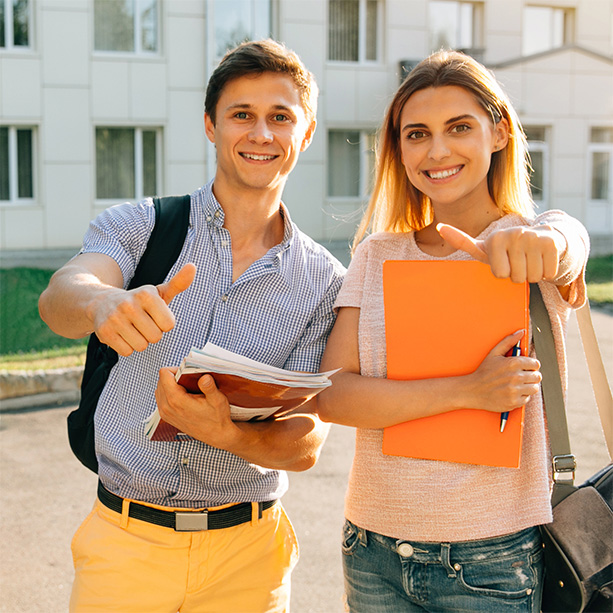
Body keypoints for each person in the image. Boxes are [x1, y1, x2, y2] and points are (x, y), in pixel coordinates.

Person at [38, 39, 345, 613]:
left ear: (304, 134)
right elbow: (60, 297)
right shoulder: (141, 225)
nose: (261, 134)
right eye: (242, 115)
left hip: (250, 556)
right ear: (211, 126)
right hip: (126, 544)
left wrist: (228, 434)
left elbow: (306, 441)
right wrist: (103, 303)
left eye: (281, 117)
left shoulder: (326, 281)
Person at [317, 50, 589, 613]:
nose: (437, 150)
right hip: (372, 548)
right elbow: (331, 394)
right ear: (399, 148)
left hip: (491, 557)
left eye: (459, 127)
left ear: (500, 132)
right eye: (417, 133)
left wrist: (557, 240)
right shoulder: (377, 255)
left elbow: (567, 245)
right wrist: (468, 390)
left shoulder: (529, 246)